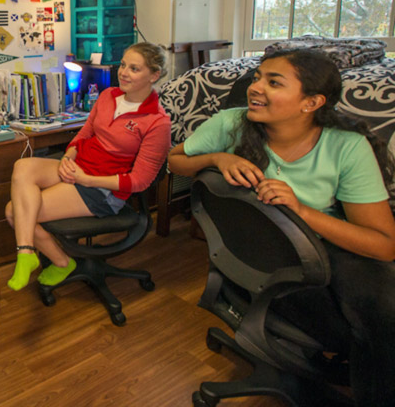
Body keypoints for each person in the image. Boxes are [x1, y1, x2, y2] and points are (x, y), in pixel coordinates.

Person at [168, 48, 395, 406]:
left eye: (273, 82)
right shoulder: (231, 123)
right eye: (257, 77)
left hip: (328, 248)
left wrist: (302, 210)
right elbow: (176, 160)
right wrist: (216, 158)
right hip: (258, 254)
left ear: (311, 102)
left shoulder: (346, 148)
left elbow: (383, 246)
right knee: (364, 332)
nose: (255, 87)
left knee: (381, 320)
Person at [5, 43, 171, 291]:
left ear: (154, 75)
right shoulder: (108, 96)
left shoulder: (157, 122)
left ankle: (57, 262)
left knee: (13, 212)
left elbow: (140, 181)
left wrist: (87, 179)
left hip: (103, 189)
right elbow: (85, 132)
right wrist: (69, 156)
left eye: (134, 69)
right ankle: (29, 252)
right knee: (22, 167)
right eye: (123, 65)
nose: (124, 72)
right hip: (79, 167)